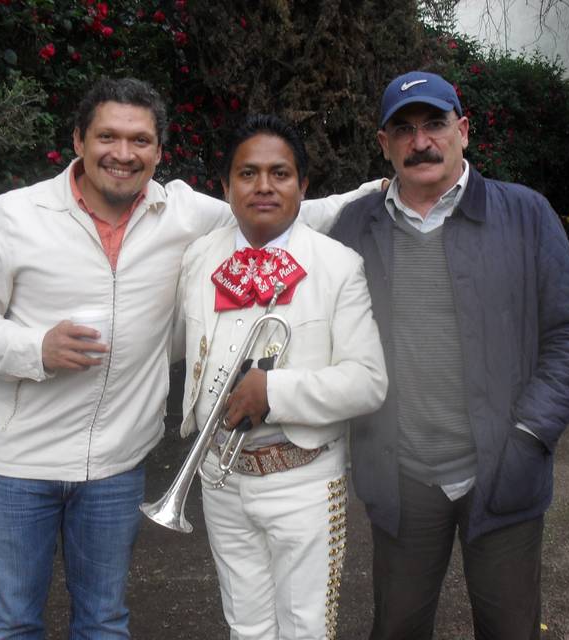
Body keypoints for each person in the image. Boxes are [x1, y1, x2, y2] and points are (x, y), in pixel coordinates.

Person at [0, 78, 382, 638]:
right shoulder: (15, 215)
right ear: (78, 139)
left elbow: (280, 209)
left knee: (103, 621)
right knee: (10, 623)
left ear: (157, 151)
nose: (123, 154)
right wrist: (33, 348)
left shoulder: (182, 214)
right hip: (20, 462)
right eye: (108, 136)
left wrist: (381, 191)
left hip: (118, 464)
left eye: (140, 140)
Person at [329, 71, 569, 640]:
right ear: (383, 145)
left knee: (509, 630)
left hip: (502, 473)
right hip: (403, 480)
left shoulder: (525, 214)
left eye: (434, 124)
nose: (420, 141)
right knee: (396, 629)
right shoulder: (356, 226)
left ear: (464, 131)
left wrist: (528, 435)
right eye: (402, 130)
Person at [173, 114, 388, 640]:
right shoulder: (200, 257)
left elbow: (368, 382)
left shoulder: (338, 265)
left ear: (302, 185)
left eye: (280, 173)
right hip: (221, 481)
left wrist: (275, 391)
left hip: (305, 482)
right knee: (245, 628)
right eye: (247, 174)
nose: (264, 186)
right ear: (225, 187)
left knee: (305, 631)